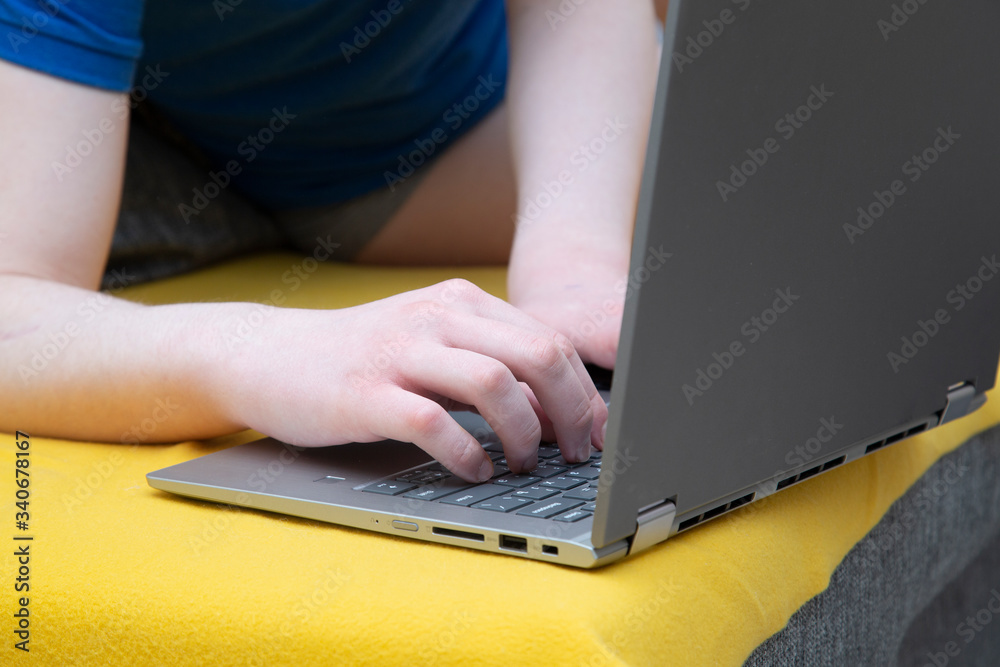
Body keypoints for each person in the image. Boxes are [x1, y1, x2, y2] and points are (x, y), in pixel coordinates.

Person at [0, 0, 661, 483]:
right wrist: (271, 348)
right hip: (366, 176)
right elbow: (14, 314)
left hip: (546, 97)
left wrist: (575, 263)